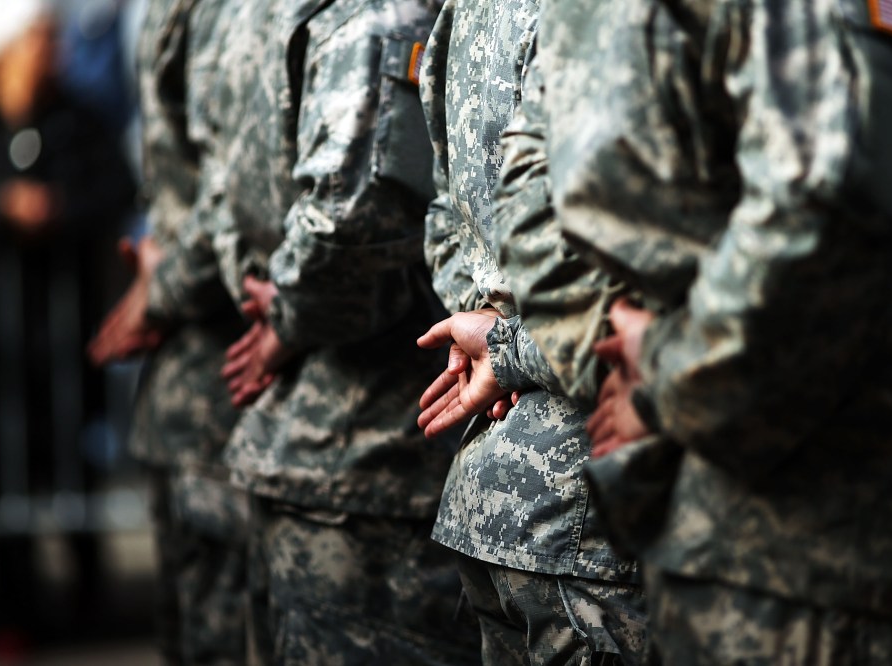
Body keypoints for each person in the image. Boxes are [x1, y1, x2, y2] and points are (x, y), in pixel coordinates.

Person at [497, 0, 892, 661]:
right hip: (781, 552)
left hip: (825, 550)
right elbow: (830, 200)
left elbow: (831, 203)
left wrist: (654, 372)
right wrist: (653, 372)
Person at [203, 0, 481, 662]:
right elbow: (350, 223)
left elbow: (226, 181)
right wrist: (289, 316)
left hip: (334, 456)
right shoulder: (379, 14)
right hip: (371, 457)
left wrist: (280, 312)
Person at [414, 0, 647, 662]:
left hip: (502, 500)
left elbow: (445, 213)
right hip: (591, 505)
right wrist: (508, 345)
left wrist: (491, 328)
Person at [88, 0, 249, 661]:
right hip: (198, 376)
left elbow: (237, 193)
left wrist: (164, 288)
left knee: (222, 625)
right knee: (198, 624)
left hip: (230, 375)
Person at [0, 0, 135, 641]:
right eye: (39, 40)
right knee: (5, 471)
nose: (53, 52)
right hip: (2, 344)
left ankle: (89, 604)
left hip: (67, 337)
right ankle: (16, 610)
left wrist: (59, 210)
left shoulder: (79, 118)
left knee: (76, 468)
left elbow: (117, 188)